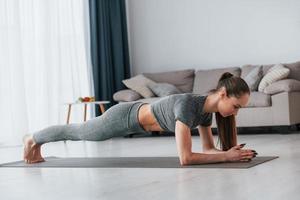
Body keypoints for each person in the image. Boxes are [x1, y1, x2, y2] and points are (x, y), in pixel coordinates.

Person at [23, 72, 257, 165]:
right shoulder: (188, 105)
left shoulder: (206, 112)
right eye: (236, 106)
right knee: (78, 132)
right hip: (123, 117)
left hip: (136, 116)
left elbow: (206, 149)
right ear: (223, 94)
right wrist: (226, 156)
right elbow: (185, 158)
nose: (235, 113)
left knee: (78, 131)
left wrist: (230, 153)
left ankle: (35, 141)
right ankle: (32, 138)